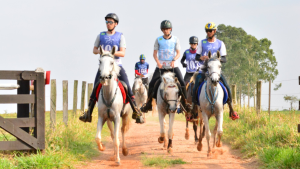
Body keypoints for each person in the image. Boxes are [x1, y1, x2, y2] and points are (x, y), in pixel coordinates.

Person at [79, 13, 144, 123]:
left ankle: (136, 111)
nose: (108, 24)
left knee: (127, 86)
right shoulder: (100, 35)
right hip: (104, 66)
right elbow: (94, 50)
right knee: (96, 87)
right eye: (107, 22)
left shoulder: (120, 36)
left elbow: (123, 53)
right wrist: (103, 53)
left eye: (110, 22)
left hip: (117, 65)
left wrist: (110, 54)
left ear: (116, 24)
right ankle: (88, 112)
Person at [140, 20, 191, 113]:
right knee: (151, 84)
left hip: (173, 65)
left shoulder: (176, 39)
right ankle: (148, 104)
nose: (165, 31)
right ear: (162, 30)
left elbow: (178, 53)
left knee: (182, 83)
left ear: (170, 29)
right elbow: (155, 54)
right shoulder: (158, 39)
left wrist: (174, 60)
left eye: (167, 29)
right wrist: (158, 63)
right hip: (161, 66)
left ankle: (185, 103)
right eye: (164, 29)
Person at [192, 22, 239, 120]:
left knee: (226, 86)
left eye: (210, 31)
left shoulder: (220, 43)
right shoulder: (202, 43)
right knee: (195, 86)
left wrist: (216, 59)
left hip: (215, 71)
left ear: (214, 31)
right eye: (207, 31)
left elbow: (224, 59)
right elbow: (196, 57)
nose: (208, 33)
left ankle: (231, 110)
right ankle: (194, 110)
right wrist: (202, 57)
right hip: (204, 70)